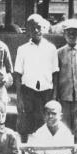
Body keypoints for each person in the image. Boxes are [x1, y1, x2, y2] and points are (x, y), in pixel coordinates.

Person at [14, 14, 59, 143]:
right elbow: (18, 75)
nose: (36, 30)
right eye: (32, 27)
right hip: (28, 92)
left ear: (43, 28)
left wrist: (54, 97)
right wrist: (19, 98)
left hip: (46, 93)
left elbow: (55, 73)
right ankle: (23, 153)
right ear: (27, 30)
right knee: (25, 125)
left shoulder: (51, 49)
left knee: (44, 125)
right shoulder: (22, 50)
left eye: (39, 27)